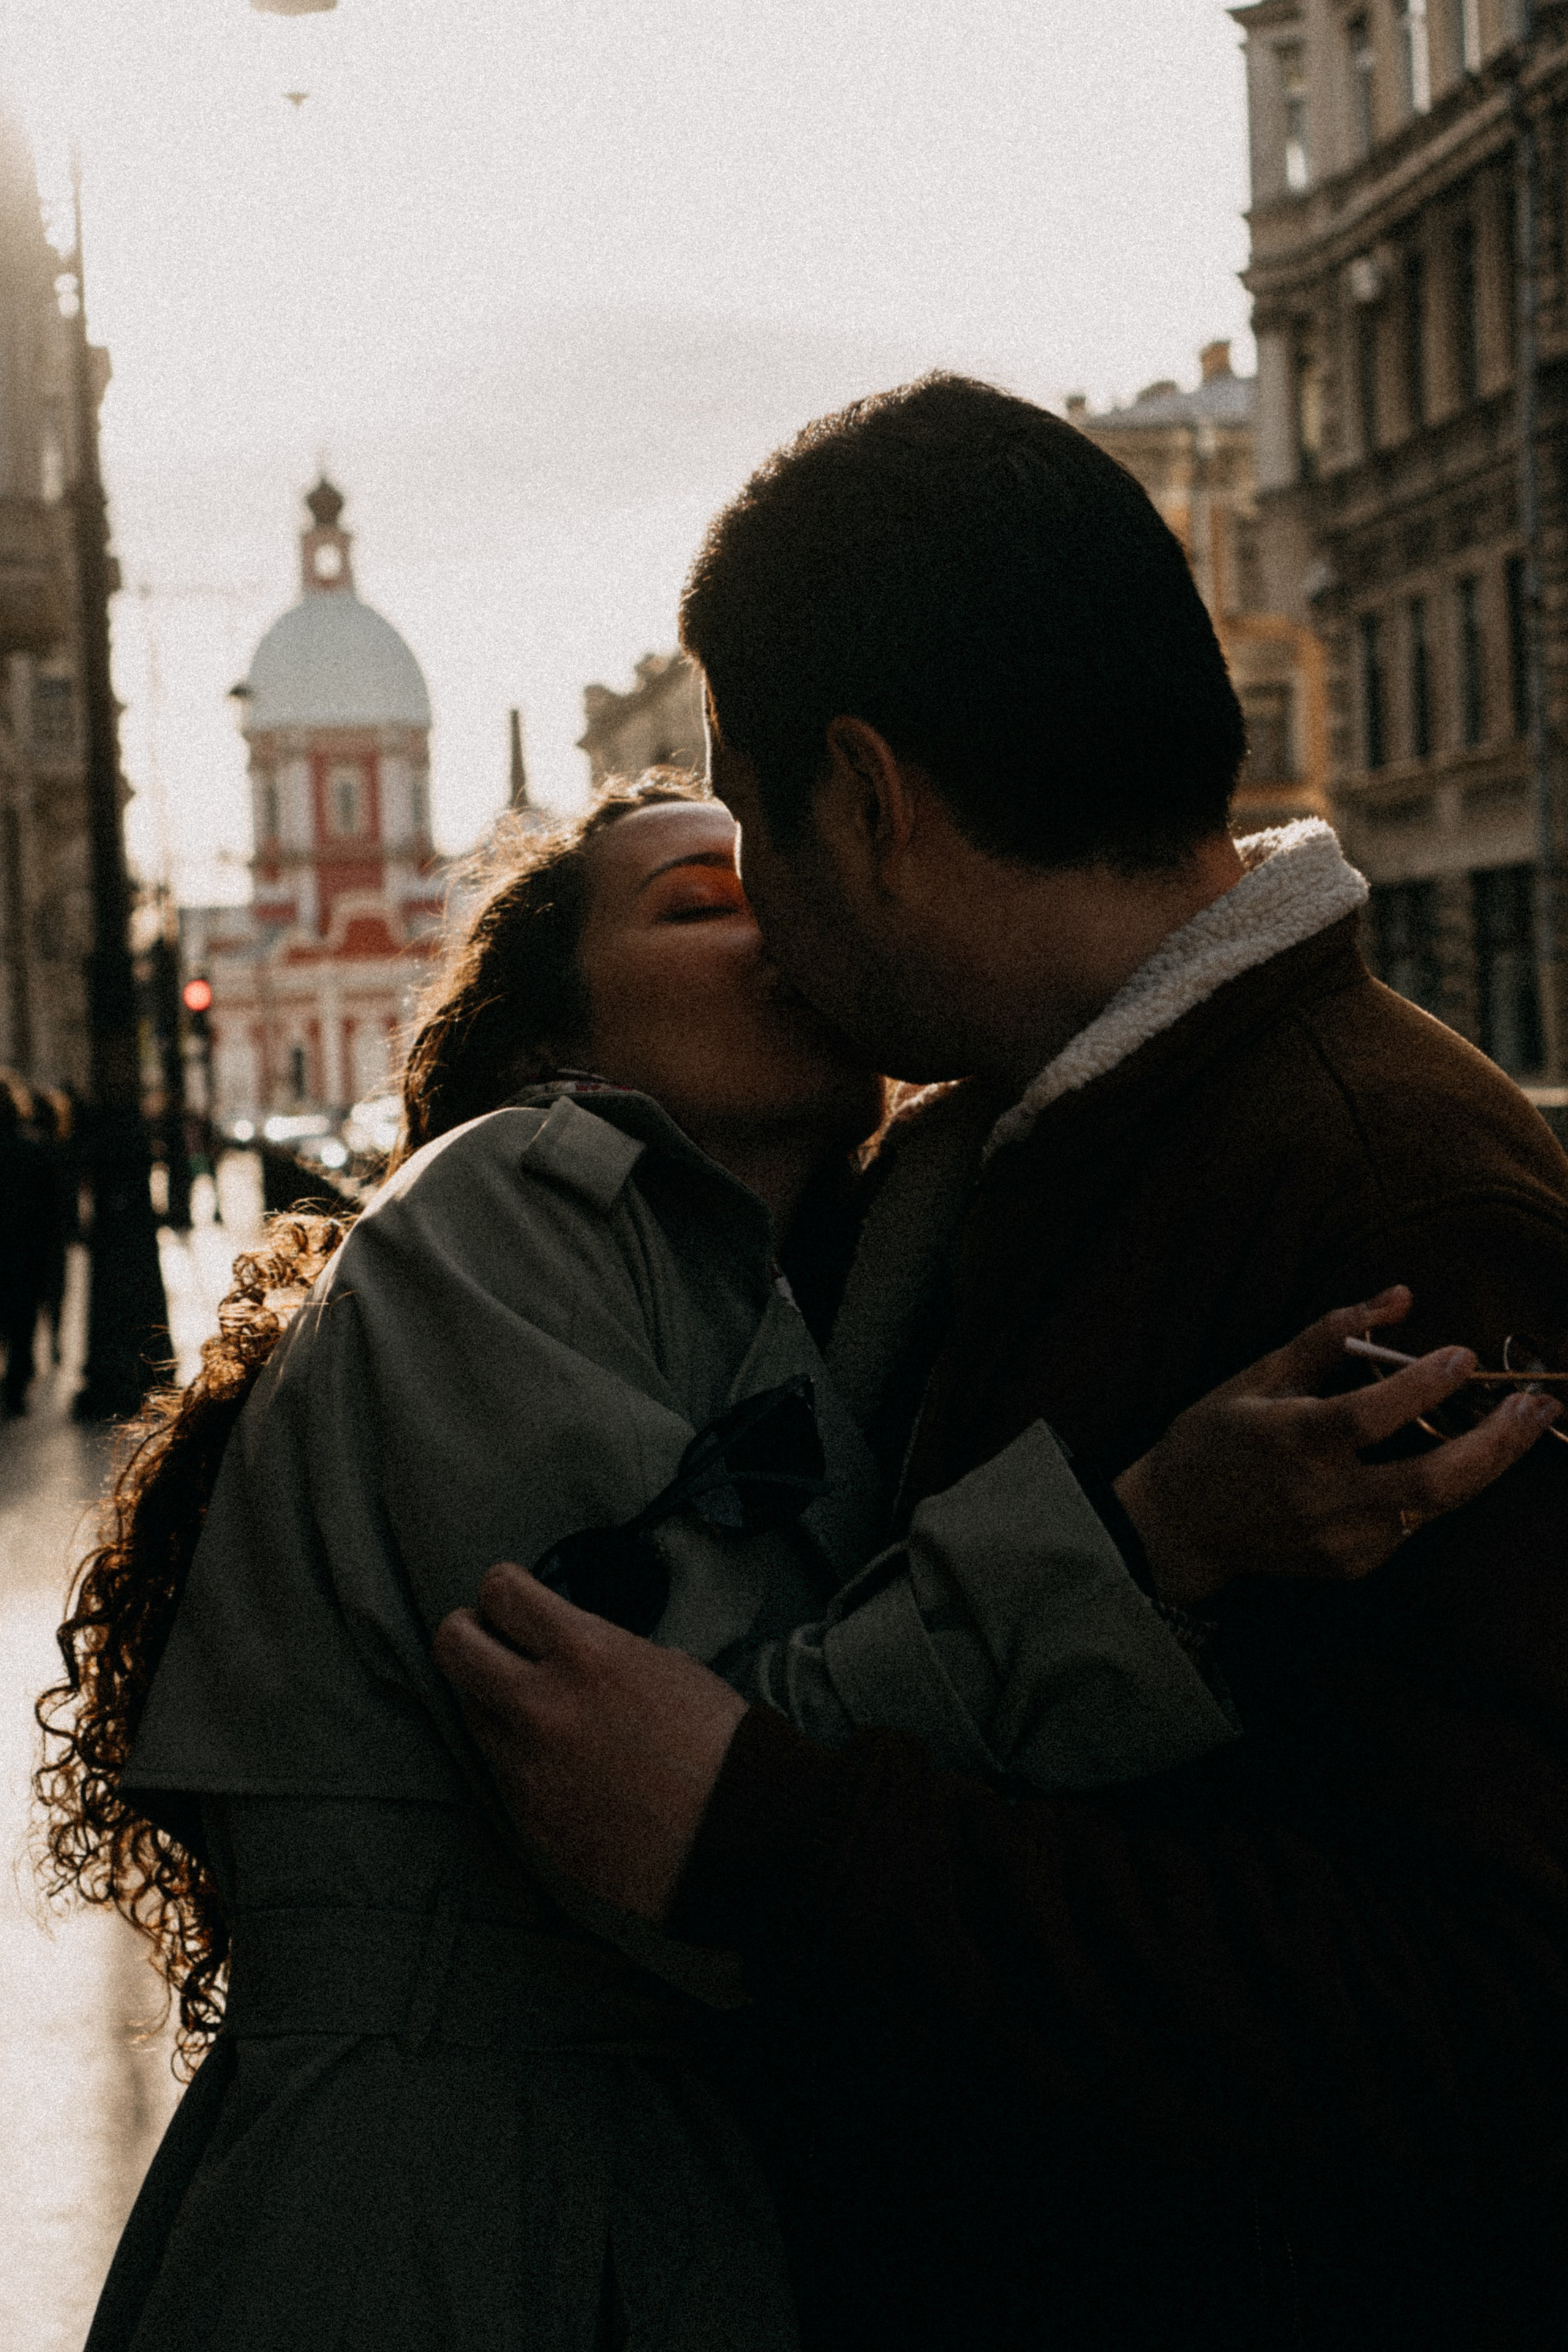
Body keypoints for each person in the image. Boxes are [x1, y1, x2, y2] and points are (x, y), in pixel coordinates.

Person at [40, 771, 1521, 2352]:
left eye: (778, 878)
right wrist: (1149, 1538)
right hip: (439, 2228)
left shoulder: (828, 1271)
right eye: (700, 901)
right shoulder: (501, 1199)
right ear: (547, 1043)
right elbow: (666, 1799)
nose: (777, 921)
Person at [434, 377, 1568, 2351]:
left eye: (752, 830)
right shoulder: (1007, 1152)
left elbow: (1489, 2012)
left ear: (870, 803)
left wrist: (767, 1835)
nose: (760, 915)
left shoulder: (1390, 1194)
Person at [0, 1068, 51, 1414]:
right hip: (25, 1250)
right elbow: (48, 1209)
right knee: (22, 1322)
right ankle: (16, 1387)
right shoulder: (33, 1148)